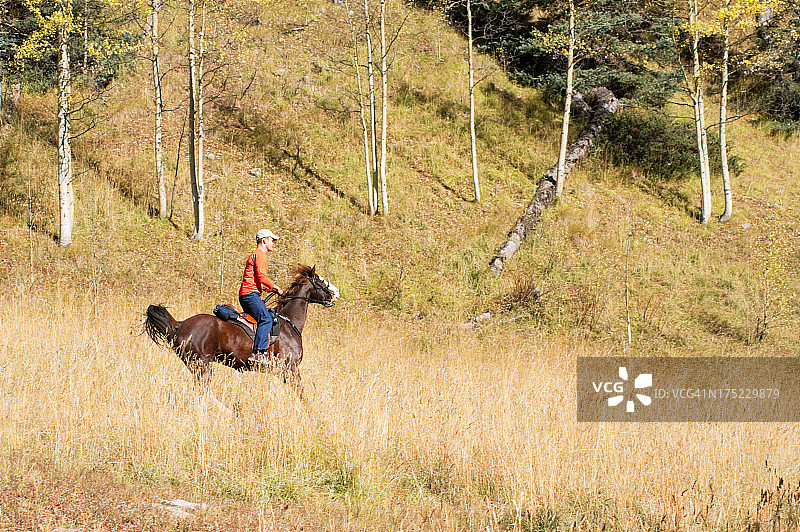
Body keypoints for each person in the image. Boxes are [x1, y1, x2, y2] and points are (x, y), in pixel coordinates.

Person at [239, 229, 282, 364]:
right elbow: (262, 277)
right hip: (250, 295)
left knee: (265, 317)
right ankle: (258, 353)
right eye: (271, 240)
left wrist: (269, 289)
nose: (273, 243)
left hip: (248, 294)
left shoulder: (256, 255)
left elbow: (257, 281)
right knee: (266, 319)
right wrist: (276, 287)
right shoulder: (260, 255)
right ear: (264, 240)